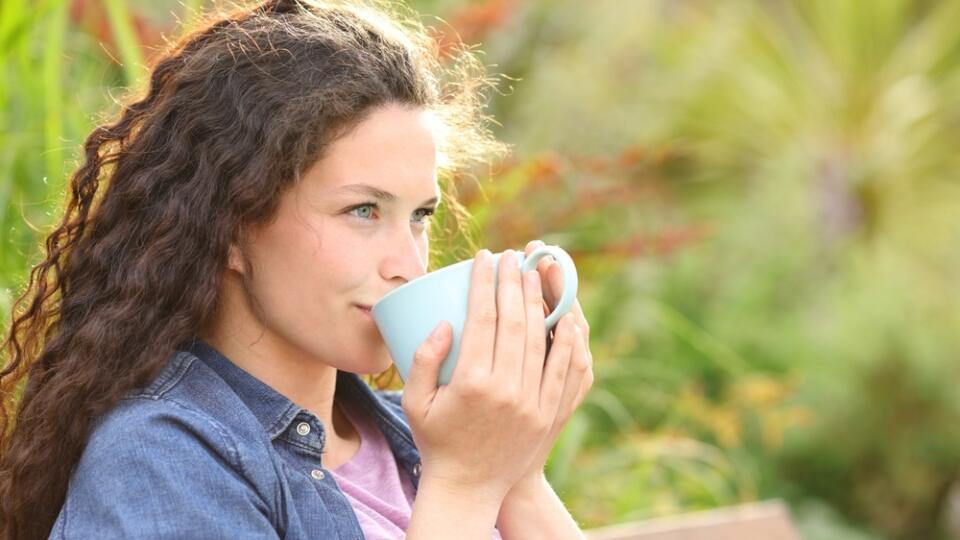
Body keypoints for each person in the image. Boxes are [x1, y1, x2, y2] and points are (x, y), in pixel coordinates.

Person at [0, 0, 594, 538]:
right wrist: (464, 486)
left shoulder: (420, 438)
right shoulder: (159, 459)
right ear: (231, 226)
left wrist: (514, 471)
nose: (409, 265)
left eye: (419, 215)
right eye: (362, 210)